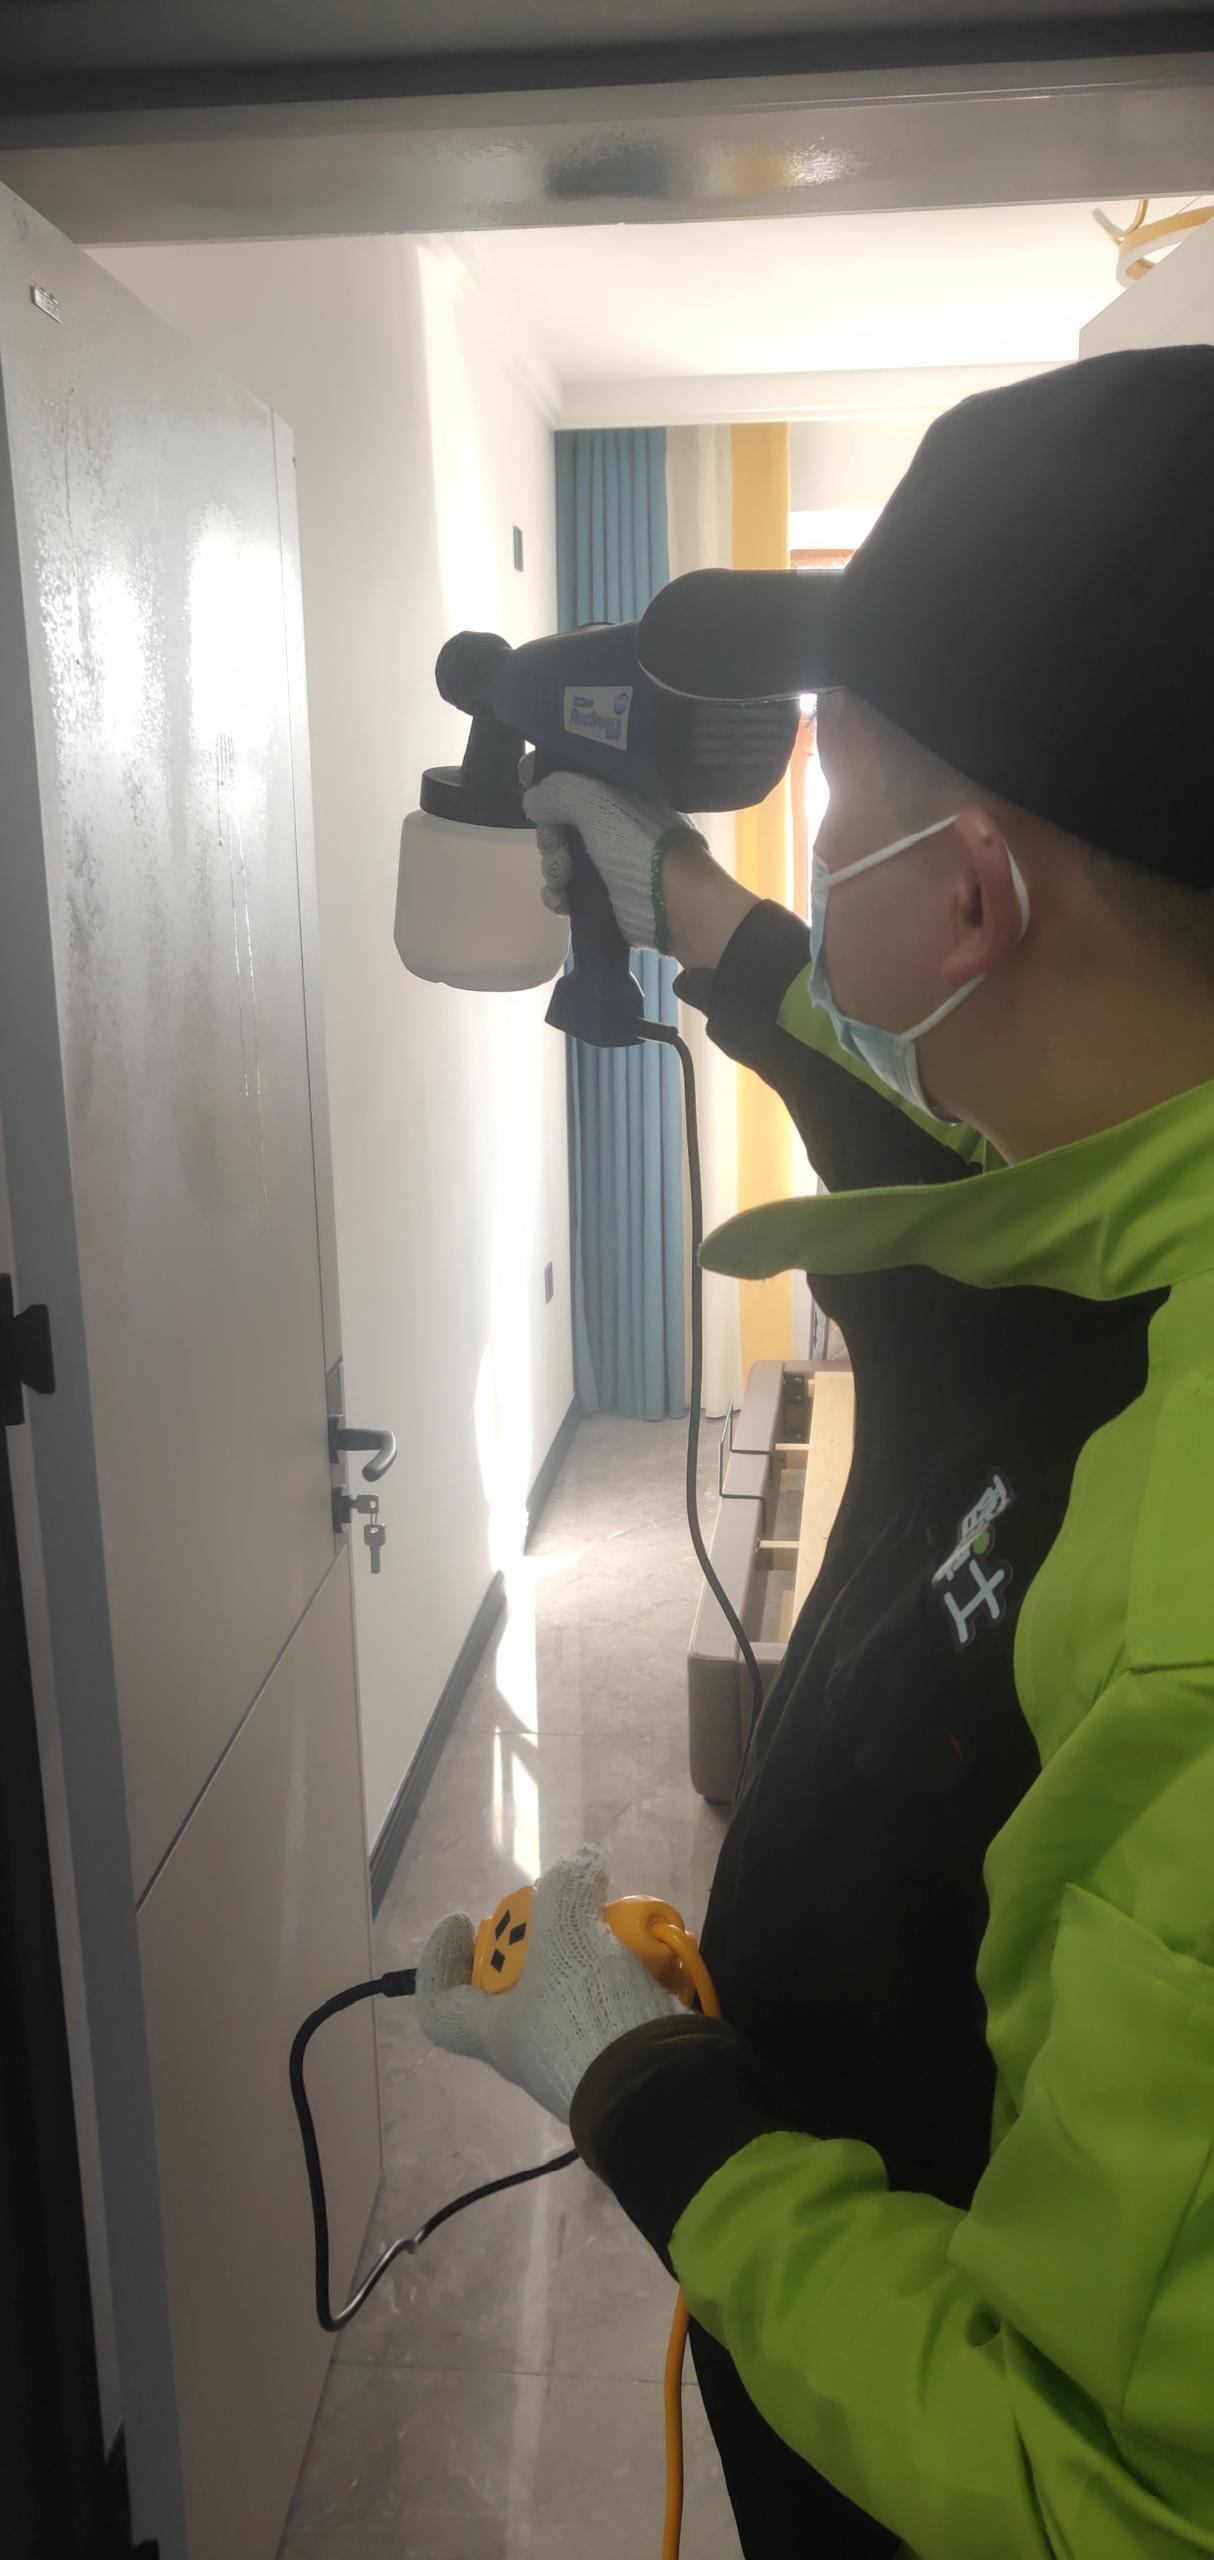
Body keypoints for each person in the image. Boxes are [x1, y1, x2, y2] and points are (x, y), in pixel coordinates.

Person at [417, 350, 1214, 2558]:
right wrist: (695, 913)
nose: (810, 864)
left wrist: (643, 2088)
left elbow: (1095, 2494)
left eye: (830, 809)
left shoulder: (1187, 1615)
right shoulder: (1126, 1232)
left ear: (970, 900)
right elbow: (958, 1197)